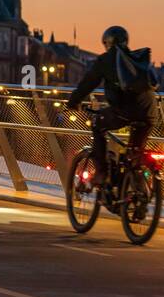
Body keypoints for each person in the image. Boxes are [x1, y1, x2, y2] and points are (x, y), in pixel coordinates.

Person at [67, 25, 157, 186]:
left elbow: (88, 83)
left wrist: (73, 101)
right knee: (134, 153)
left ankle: (102, 173)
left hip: (125, 111)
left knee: (98, 124)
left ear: (107, 43)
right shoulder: (136, 60)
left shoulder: (107, 59)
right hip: (149, 112)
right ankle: (135, 194)